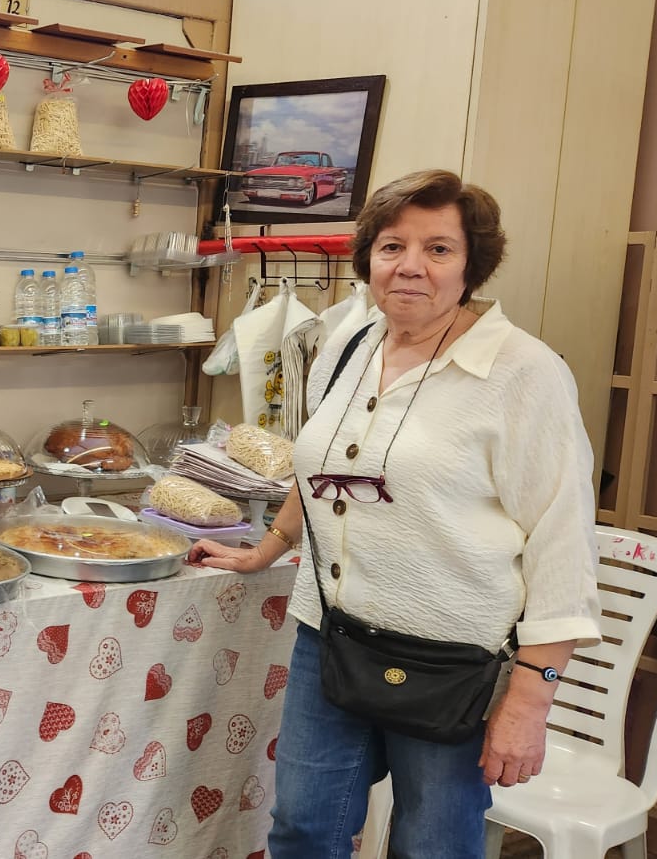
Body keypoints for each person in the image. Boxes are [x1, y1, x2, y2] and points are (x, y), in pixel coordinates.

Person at [190, 169, 601, 859]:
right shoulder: (348, 348)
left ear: (473, 263)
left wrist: (531, 699)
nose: (410, 266)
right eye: (391, 247)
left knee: (432, 845)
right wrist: (269, 545)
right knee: (304, 829)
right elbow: (321, 468)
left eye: (438, 249)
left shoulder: (523, 372)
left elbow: (563, 539)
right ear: (368, 259)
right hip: (333, 637)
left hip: (454, 660)